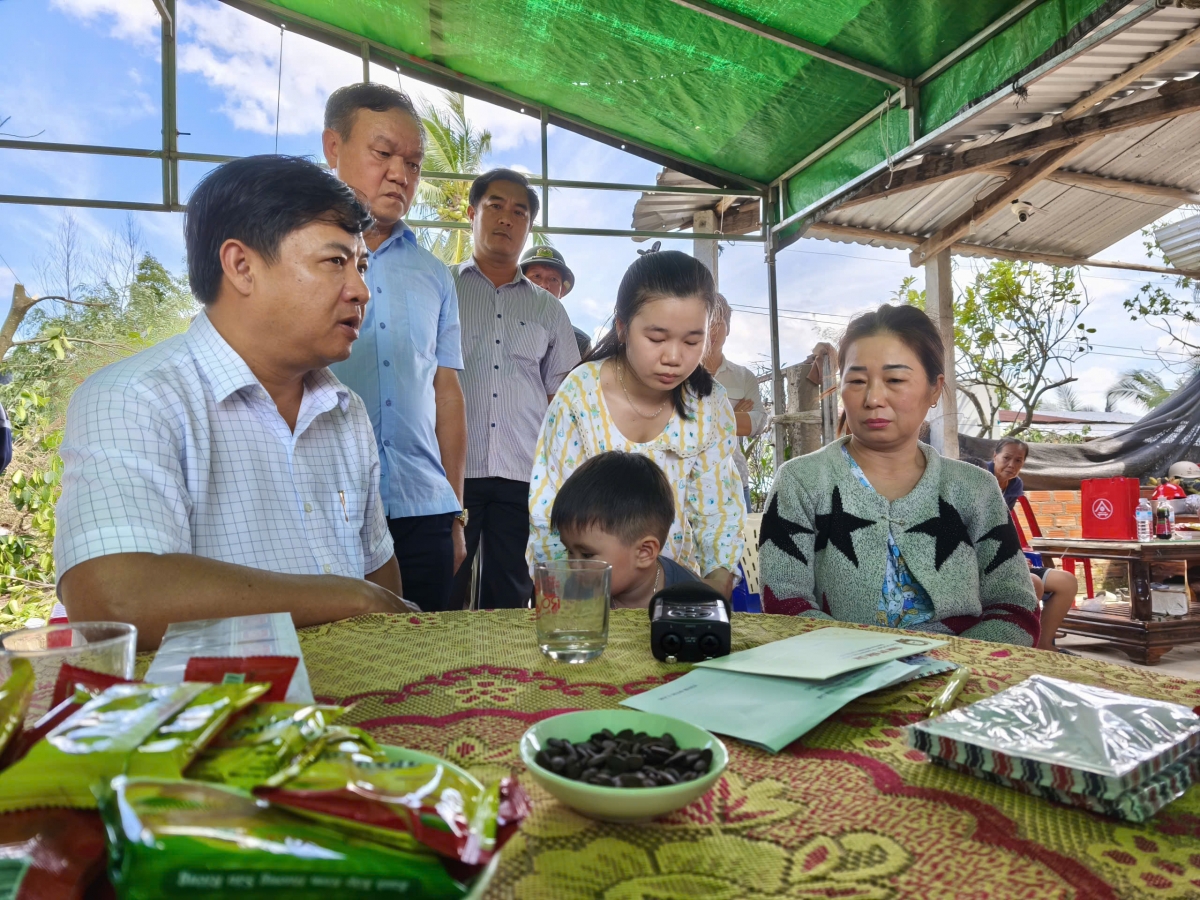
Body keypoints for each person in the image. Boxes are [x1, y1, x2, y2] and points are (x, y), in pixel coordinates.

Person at [55, 155, 410, 649]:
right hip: (201, 717)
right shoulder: (133, 398)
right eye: (335, 262)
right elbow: (113, 599)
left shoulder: (345, 411)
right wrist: (352, 598)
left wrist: (370, 606)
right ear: (242, 266)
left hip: (343, 710)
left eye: (362, 266)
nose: (361, 291)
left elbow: (379, 573)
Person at [759, 304, 1039, 646]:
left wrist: (949, 664)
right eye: (857, 380)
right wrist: (865, 664)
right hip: (839, 677)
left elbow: (1015, 607)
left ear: (934, 389)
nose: (874, 398)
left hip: (962, 677)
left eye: (895, 379)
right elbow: (784, 604)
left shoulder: (975, 488)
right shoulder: (800, 481)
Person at [322, 83, 468, 613]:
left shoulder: (434, 275)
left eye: (414, 162)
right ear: (333, 149)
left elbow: (447, 395)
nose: (401, 174)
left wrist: (454, 512)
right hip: (328, 504)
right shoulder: (295, 259)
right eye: (383, 153)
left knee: (430, 670)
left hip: (423, 507)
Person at [528, 249, 745, 600]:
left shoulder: (707, 403)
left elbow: (718, 509)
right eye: (657, 338)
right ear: (622, 328)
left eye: (693, 341)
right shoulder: (581, 394)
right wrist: (562, 593)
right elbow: (547, 509)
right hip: (584, 594)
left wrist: (714, 585)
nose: (674, 357)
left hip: (673, 592)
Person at [451, 169, 580, 609]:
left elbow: (560, 399)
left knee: (511, 590)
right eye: (496, 206)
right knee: (444, 586)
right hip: (451, 472)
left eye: (519, 212)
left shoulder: (548, 310)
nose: (507, 218)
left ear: (528, 226)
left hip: (522, 474)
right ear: (472, 213)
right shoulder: (441, 289)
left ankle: (506, 674)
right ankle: (441, 673)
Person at [553, 452, 699, 609]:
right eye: (569, 551)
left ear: (644, 552)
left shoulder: (692, 603)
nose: (574, 567)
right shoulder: (577, 589)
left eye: (587, 555)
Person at [990, 436, 1079, 651]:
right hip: (986, 562)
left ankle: (1044, 644)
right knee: (1032, 584)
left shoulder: (1014, 485)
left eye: (1019, 461)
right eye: (1006, 458)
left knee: (1067, 582)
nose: (1011, 465)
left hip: (1005, 558)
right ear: (994, 457)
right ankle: (1021, 647)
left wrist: (1016, 557)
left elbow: (1004, 527)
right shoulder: (978, 479)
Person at [703, 294, 767, 509]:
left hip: (735, 478)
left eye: (719, 323)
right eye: (708, 323)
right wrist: (734, 415)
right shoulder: (680, 376)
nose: (713, 331)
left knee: (743, 540)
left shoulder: (743, 376)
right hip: (693, 481)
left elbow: (758, 423)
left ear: (728, 329)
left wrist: (709, 418)